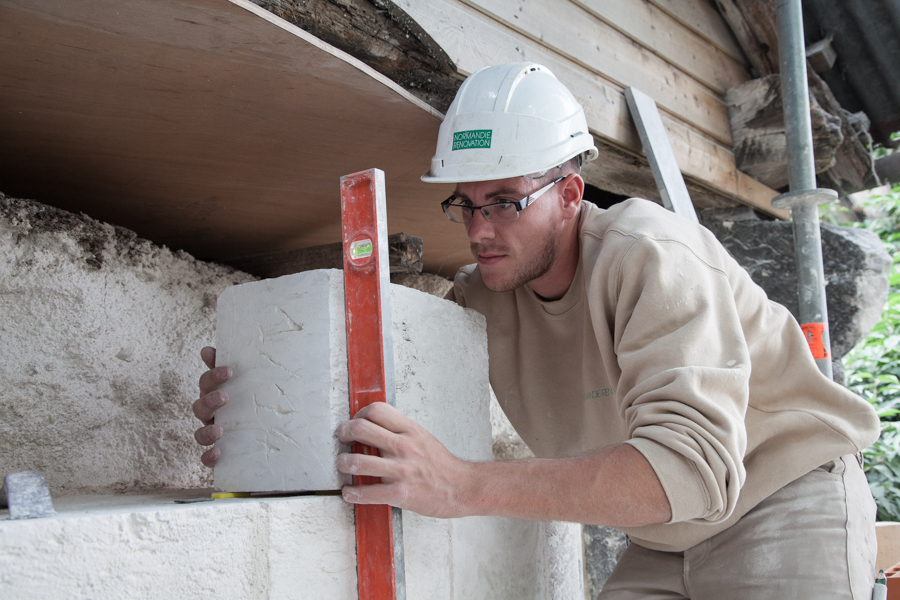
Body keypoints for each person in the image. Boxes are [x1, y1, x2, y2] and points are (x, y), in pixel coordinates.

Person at [193, 63, 881, 599]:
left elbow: (691, 471)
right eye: (465, 205)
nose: (480, 230)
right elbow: (369, 366)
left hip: (782, 499)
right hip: (667, 537)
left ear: (570, 195)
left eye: (505, 203)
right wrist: (263, 398)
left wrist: (463, 485)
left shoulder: (652, 257)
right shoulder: (483, 299)